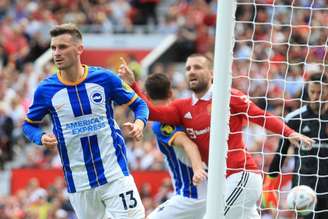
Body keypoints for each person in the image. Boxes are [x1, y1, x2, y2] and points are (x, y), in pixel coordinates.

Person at [119, 53, 314, 219]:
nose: (191, 71)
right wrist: (133, 86)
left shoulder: (228, 96)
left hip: (242, 176)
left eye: (197, 67)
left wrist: (289, 132)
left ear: (211, 73)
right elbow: (152, 112)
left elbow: (259, 115)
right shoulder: (182, 107)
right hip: (220, 184)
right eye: (187, 68)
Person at [22, 23, 149, 219]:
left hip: (114, 173)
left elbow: (140, 105)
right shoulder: (45, 90)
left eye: (63, 47)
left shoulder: (104, 78)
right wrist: (40, 137)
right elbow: (28, 125)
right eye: (53, 47)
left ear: (80, 49)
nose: (56, 53)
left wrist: (139, 124)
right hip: (78, 182)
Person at [138, 72, 208, 219]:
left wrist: (197, 170)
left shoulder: (161, 124)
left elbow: (189, 145)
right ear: (171, 92)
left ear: (147, 96)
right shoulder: (184, 113)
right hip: (207, 193)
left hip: (190, 196)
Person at [263, 73, 328, 218]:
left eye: (321, 92)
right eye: (312, 92)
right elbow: (281, 153)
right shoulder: (294, 119)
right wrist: (269, 183)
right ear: (307, 90)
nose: (316, 96)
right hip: (304, 186)